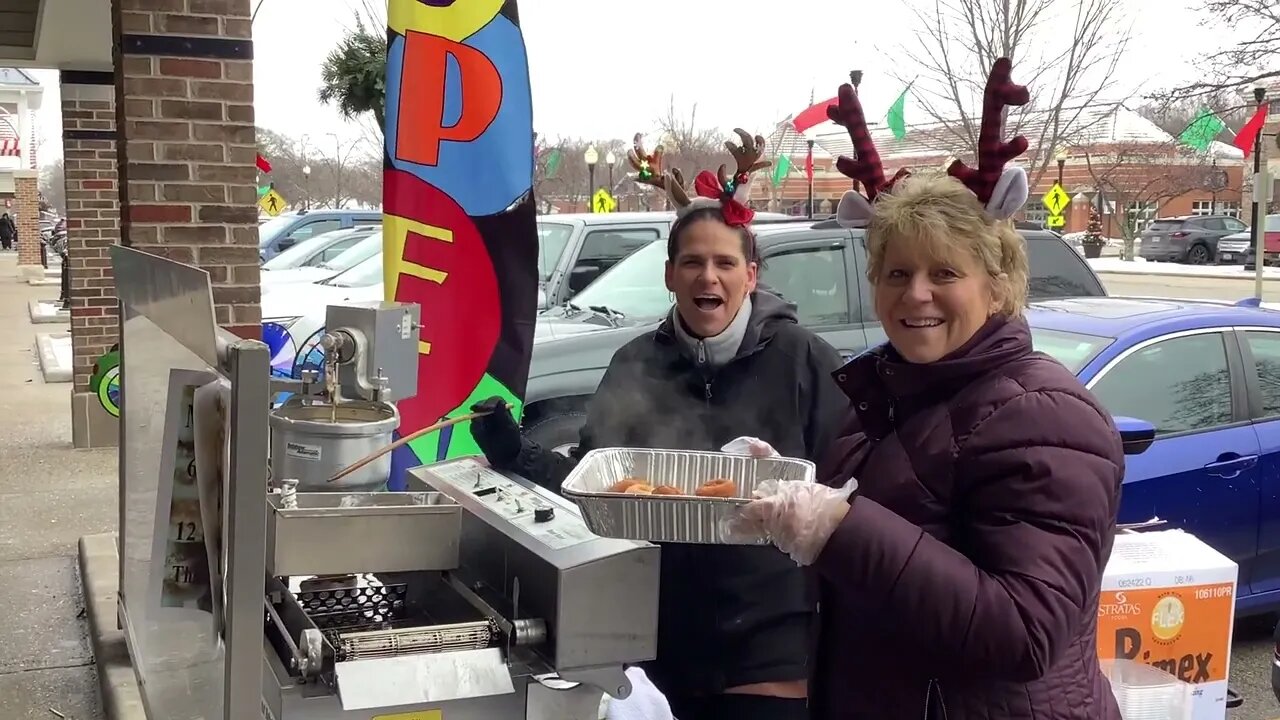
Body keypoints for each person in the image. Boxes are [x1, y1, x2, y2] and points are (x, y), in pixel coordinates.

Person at [731, 59, 1125, 719]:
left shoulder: (1046, 415)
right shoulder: (885, 400)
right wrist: (792, 494)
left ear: (996, 284)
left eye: (945, 271)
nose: (916, 295)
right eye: (896, 272)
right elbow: (879, 577)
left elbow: (1024, 632)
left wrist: (838, 525)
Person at [469, 130, 846, 720]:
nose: (708, 278)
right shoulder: (635, 363)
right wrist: (515, 453)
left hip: (772, 648)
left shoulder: (805, 361)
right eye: (692, 263)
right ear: (669, 275)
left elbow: (850, 491)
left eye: (724, 263)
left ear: (752, 275)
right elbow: (593, 489)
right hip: (658, 639)